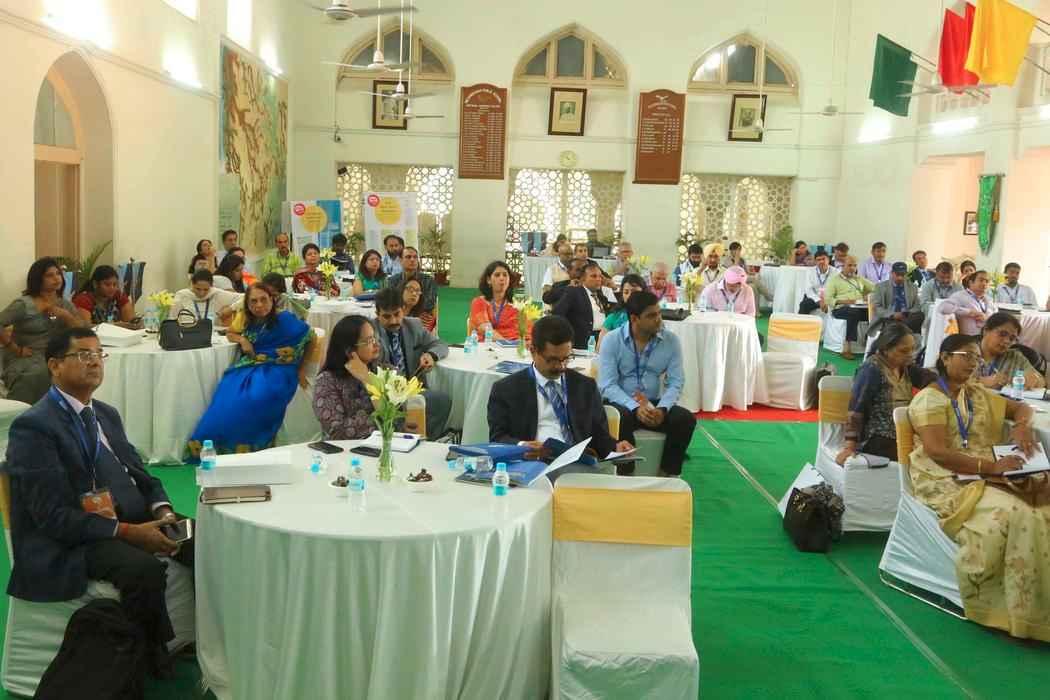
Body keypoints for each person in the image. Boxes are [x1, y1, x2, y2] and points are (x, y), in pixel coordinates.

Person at [5, 327, 191, 676]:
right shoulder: (34, 427)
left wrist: (163, 510)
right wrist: (129, 532)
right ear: (54, 365)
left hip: (131, 515)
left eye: (98, 354)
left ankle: (203, 633)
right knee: (144, 570)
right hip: (76, 536)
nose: (94, 362)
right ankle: (148, 658)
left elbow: (142, 475)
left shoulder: (104, 413)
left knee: (200, 540)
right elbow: (52, 517)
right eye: (83, 355)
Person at [907, 333, 1049, 643]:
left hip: (985, 469)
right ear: (945, 358)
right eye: (966, 356)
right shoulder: (930, 399)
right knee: (1016, 514)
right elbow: (938, 453)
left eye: (977, 358)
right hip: (944, 477)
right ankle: (1012, 612)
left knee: (1043, 503)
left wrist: (1021, 427)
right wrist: (989, 468)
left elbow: (1022, 408)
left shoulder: (976, 392)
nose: (974, 363)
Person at [488, 315, 633, 479]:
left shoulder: (585, 387)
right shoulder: (506, 389)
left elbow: (599, 435)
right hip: (530, 464)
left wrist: (615, 446)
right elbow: (497, 438)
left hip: (577, 464)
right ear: (533, 351)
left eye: (566, 358)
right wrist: (521, 446)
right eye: (552, 360)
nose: (560, 366)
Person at [189, 283, 314, 455]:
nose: (259, 305)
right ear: (247, 304)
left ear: (272, 300)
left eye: (264, 300)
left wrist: (302, 369)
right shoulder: (245, 318)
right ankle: (211, 446)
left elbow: (311, 338)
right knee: (225, 397)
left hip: (279, 368)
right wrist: (243, 340)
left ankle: (248, 448)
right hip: (248, 366)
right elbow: (230, 333)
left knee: (256, 396)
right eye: (253, 301)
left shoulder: (285, 319)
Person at [598, 291, 696, 477]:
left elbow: (676, 382)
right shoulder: (612, 340)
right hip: (622, 404)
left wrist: (663, 409)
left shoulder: (671, 341)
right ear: (634, 319)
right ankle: (626, 475)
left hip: (654, 405)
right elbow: (607, 385)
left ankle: (667, 474)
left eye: (659, 313)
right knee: (622, 417)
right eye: (651, 316)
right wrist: (635, 407)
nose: (659, 320)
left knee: (685, 419)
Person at [836, 323, 933, 464]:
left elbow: (931, 379)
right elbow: (856, 409)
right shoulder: (871, 369)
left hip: (903, 433)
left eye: (912, 349)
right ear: (886, 349)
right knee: (924, 458)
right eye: (904, 351)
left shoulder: (905, 367)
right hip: (878, 439)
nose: (910, 355)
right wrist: (849, 447)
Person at [0, 257, 87, 404]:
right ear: (38, 279)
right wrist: (15, 348)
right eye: (49, 275)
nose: (56, 278)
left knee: (78, 370)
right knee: (42, 374)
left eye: (58, 274)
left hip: (55, 356)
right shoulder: (24, 304)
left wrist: (65, 316)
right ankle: (22, 413)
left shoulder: (64, 304)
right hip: (26, 358)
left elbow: (83, 331)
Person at [372, 287, 451, 439]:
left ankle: (425, 441)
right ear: (377, 315)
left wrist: (431, 355)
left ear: (403, 310)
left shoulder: (414, 325)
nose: (393, 321)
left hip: (412, 390)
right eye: (386, 317)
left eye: (397, 314)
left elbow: (440, 344)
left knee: (442, 401)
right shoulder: (370, 331)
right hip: (384, 394)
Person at [313, 315, 384, 440]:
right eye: (369, 341)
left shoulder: (383, 371)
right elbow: (337, 431)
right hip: (345, 450)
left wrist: (368, 380)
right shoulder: (327, 381)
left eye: (375, 338)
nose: (377, 345)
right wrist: (381, 422)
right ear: (350, 351)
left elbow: (398, 419)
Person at [974, 312, 1046, 391]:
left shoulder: (1015, 357)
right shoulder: (967, 351)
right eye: (1002, 334)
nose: (1007, 341)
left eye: (1012, 338)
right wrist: (981, 382)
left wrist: (1036, 380)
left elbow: (1041, 380)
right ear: (986, 330)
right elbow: (962, 380)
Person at [825, 255, 876, 359]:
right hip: (840, 309)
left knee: (875, 312)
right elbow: (828, 299)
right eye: (849, 265)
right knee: (853, 313)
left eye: (854, 265)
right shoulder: (834, 280)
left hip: (859, 307)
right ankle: (847, 347)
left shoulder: (859, 279)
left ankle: (869, 341)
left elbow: (875, 288)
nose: (852, 268)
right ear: (842, 266)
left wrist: (868, 296)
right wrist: (845, 301)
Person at [553, 261, 612, 349]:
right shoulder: (574, 292)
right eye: (593, 276)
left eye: (600, 276)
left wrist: (614, 288)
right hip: (581, 342)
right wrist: (567, 335)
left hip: (602, 339)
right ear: (583, 278)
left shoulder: (601, 296)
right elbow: (557, 313)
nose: (598, 279)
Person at [469, 261, 524, 341]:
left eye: (505, 275)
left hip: (513, 346)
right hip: (486, 345)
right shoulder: (479, 302)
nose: (502, 278)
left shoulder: (517, 305)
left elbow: (525, 331)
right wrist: (505, 344)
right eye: (497, 275)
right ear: (489, 280)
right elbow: (485, 328)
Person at [73, 265, 138, 328]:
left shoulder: (118, 295)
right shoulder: (83, 300)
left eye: (115, 284)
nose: (112, 288)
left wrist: (136, 323)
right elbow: (85, 328)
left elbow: (131, 321)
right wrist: (114, 326)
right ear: (95, 284)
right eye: (107, 284)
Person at [870, 261, 924, 335]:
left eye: (902, 275)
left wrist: (906, 313)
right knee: (901, 324)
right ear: (892, 273)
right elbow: (877, 307)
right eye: (897, 275)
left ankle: (901, 329)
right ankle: (903, 330)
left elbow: (917, 306)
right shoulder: (881, 287)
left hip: (906, 316)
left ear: (906, 274)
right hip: (889, 317)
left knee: (920, 315)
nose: (900, 278)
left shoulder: (913, 287)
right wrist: (892, 315)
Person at [170, 269, 242, 324]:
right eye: (198, 289)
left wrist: (231, 308)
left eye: (206, 289)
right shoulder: (182, 295)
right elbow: (172, 319)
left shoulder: (217, 294)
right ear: (192, 284)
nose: (202, 293)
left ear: (211, 286)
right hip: (186, 335)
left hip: (213, 335)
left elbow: (245, 298)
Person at [939, 270, 997, 336]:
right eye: (981, 280)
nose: (984, 284)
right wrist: (969, 312)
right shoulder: (960, 296)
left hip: (987, 338)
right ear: (971, 283)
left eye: (987, 281)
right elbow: (943, 307)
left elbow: (996, 319)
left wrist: (986, 318)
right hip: (968, 339)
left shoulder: (989, 300)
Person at [385, 246, 436, 318]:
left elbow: (430, 303)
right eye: (408, 257)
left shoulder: (428, 280)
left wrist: (408, 306)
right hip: (396, 316)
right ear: (400, 260)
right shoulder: (392, 280)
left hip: (420, 317)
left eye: (415, 257)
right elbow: (389, 301)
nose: (412, 260)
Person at [598, 274, 647, 346]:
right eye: (626, 292)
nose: (629, 296)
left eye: (634, 292)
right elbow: (600, 348)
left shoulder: (652, 316)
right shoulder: (614, 317)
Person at [798, 248, 838, 315]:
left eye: (823, 259)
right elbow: (808, 290)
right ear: (815, 261)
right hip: (815, 298)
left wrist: (827, 300)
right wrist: (819, 301)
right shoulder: (810, 272)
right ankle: (801, 322)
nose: (821, 262)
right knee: (804, 304)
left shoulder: (836, 272)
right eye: (818, 260)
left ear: (828, 260)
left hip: (829, 298)